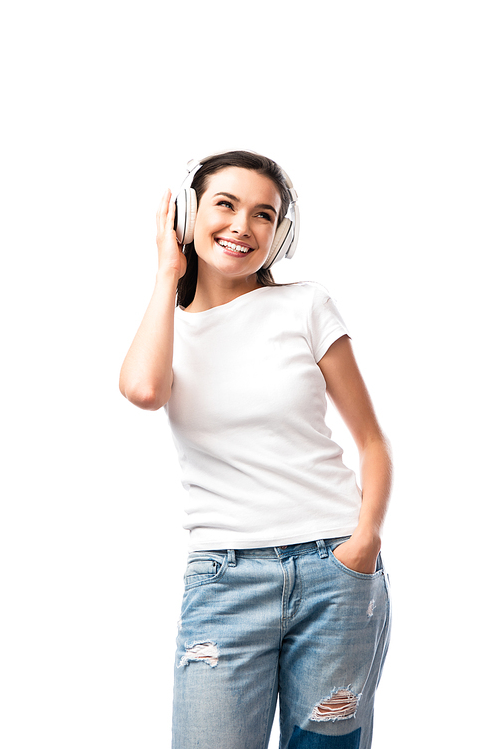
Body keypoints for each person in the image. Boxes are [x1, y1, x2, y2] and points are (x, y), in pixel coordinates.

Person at [119, 150, 392, 749]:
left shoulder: (306, 306)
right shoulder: (166, 329)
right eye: (225, 204)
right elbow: (143, 390)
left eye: (264, 215)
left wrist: (363, 540)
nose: (243, 225)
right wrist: (168, 271)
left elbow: (372, 441)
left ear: (280, 233)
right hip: (225, 577)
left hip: (334, 570)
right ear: (190, 213)